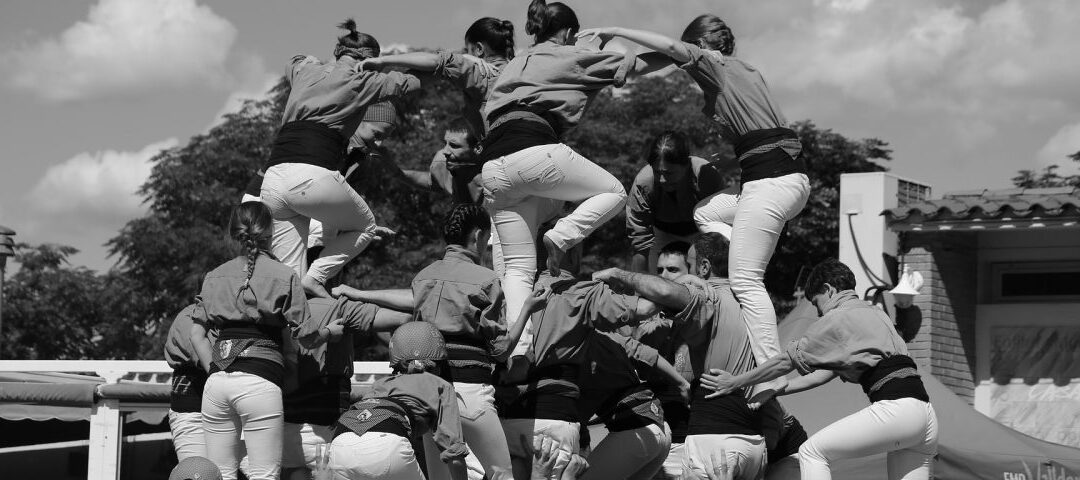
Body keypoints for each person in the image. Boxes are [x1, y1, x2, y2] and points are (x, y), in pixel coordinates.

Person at [580, 16, 812, 398]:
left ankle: (771, 374)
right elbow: (664, 59)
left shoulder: (716, 65)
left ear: (703, 47)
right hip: (780, 182)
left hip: (772, 183)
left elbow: (673, 50)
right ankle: (741, 255)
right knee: (705, 213)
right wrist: (621, 68)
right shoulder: (742, 70)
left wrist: (616, 31)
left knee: (746, 282)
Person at [478, 0, 670, 351]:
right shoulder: (571, 56)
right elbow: (641, 64)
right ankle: (561, 236)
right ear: (567, 33)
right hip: (534, 151)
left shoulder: (516, 61)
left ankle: (519, 350)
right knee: (613, 192)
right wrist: (683, 54)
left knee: (518, 270)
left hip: (492, 168)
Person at [701, 259, 938, 480]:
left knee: (811, 452)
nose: (818, 313)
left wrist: (736, 381)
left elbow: (785, 362)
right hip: (925, 418)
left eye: (816, 303)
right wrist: (776, 390)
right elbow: (825, 373)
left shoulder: (838, 318)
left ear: (828, 290)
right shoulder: (877, 314)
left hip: (898, 411)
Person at [335, 204, 514, 480]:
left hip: (429, 394)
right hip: (472, 391)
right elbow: (500, 350)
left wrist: (359, 293)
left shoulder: (425, 276)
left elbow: (411, 301)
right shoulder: (487, 279)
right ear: (478, 236)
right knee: (501, 473)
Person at [592, 233, 780, 480]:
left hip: (714, 436)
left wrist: (618, 274)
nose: (672, 277)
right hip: (752, 440)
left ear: (703, 267)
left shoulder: (706, 295)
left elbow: (664, 291)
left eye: (685, 268)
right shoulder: (754, 301)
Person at [259, 19, 419, 298]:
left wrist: (318, 62)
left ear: (338, 51)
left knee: (288, 282)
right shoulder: (363, 80)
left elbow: (294, 60)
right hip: (310, 174)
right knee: (366, 227)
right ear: (368, 60)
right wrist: (379, 65)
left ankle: (284, 333)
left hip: (273, 179)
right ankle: (317, 278)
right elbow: (413, 82)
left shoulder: (305, 70)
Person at [188, 202, 325, 480]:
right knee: (264, 475)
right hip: (260, 382)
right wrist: (330, 332)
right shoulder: (284, 275)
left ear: (233, 234)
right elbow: (307, 337)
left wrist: (217, 369)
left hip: (217, 383)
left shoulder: (213, 276)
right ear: (271, 233)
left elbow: (196, 335)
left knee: (221, 475)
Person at [326, 319, 527, 480]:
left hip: (341, 442)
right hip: (387, 442)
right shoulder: (440, 386)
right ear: (439, 363)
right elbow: (453, 454)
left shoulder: (382, 383)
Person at [280, 294, 412, 480]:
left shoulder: (279, 308)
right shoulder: (341, 307)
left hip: (287, 431)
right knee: (323, 474)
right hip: (325, 429)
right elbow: (403, 319)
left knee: (297, 474)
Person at [359, 16, 515, 138]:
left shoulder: (479, 71)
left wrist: (383, 61)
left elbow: (435, 61)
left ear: (479, 49)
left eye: (467, 49)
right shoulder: (520, 68)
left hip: (501, 156)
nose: (466, 54)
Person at [626, 131, 723, 274]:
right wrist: (638, 289)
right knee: (656, 283)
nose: (662, 180)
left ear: (685, 166)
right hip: (662, 233)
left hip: (702, 232)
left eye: (669, 173)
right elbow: (640, 241)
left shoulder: (706, 175)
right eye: (657, 173)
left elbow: (720, 226)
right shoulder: (643, 183)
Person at [164, 304, 214, 461]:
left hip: (234, 404)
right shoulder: (190, 316)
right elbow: (209, 359)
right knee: (197, 473)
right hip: (193, 408)